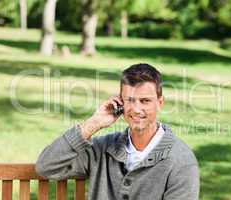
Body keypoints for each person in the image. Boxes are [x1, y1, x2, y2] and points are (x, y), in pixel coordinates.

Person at [35, 63, 200, 200]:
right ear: (120, 102)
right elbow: (46, 167)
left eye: (145, 101)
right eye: (130, 100)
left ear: (160, 102)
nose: (136, 109)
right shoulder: (102, 149)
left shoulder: (181, 161)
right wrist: (93, 123)